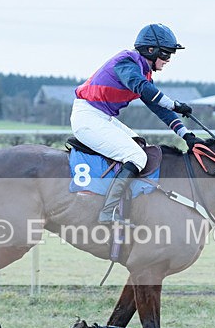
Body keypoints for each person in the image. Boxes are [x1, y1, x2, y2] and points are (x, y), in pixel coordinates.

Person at [71, 23, 205, 223]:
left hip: (101, 116)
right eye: (166, 54)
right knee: (136, 156)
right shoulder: (126, 63)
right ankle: (107, 213)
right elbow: (142, 88)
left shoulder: (143, 72)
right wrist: (174, 104)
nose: (168, 60)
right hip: (88, 117)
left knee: (141, 147)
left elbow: (160, 108)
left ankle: (126, 204)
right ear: (151, 50)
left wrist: (187, 135)